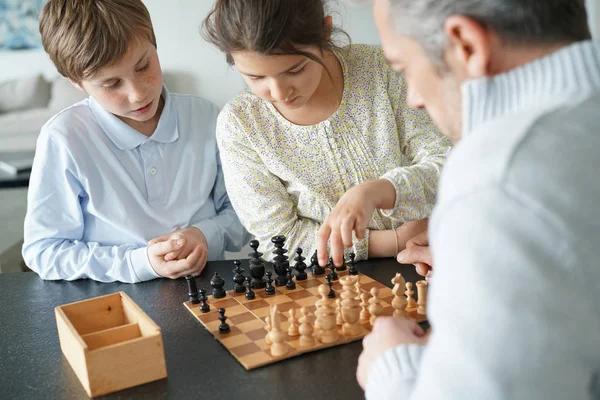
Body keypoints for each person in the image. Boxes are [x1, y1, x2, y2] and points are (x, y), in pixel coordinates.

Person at [350, 0, 600, 399]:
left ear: (466, 44)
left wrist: (390, 367)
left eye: (404, 69)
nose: (414, 96)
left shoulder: (496, 178)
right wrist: (490, 270)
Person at [202, 0, 450, 263]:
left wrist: (381, 190)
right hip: (328, 283)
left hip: (435, 255)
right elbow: (278, 238)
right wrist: (393, 242)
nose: (279, 93)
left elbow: (448, 162)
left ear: (325, 32)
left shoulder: (383, 70)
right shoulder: (240, 123)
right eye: (256, 78)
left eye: (295, 70)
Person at [22, 0, 248, 283]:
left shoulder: (207, 116)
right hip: (115, 304)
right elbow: (43, 252)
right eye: (112, 84)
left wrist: (205, 234)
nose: (138, 94)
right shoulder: (63, 139)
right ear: (76, 82)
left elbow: (244, 213)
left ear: (154, 43)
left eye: (143, 66)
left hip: (210, 290)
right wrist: (138, 263)